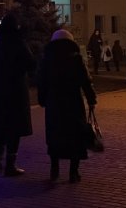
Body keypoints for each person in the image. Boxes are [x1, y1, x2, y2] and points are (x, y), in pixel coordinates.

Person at [37, 28, 97, 183]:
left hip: (54, 104)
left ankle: (54, 171)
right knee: (75, 137)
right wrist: (91, 100)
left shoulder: (48, 59)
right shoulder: (76, 59)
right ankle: (73, 172)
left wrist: (42, 99)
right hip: (73, 104)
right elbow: (85, 81)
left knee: (54, 136)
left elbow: (42, 82)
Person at [0, 11, 36, 177]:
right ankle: (10, 164)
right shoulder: (18, 42)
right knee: (14, 128)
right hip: (15, 91)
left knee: (2, 126)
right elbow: (30, 63)